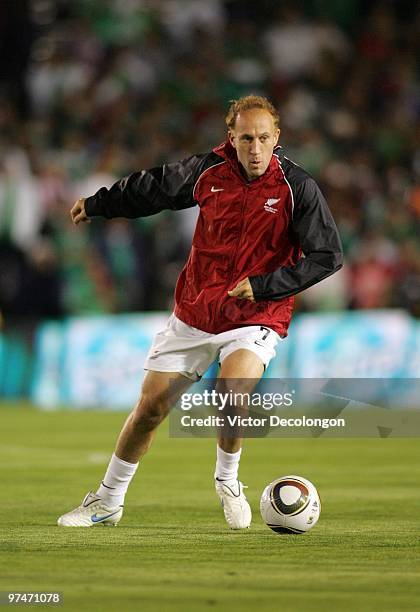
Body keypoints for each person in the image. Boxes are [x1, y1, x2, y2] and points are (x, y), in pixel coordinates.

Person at [57, 95, 343, 529]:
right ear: (232, 137)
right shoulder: (207, 170)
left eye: (263, 138)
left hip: (256, 314)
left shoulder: (296, 187)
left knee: (232, 390)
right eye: (246, 138)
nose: (254, 148)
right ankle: (107, 500)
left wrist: (265, 286)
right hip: (197, 309)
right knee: (151, 408)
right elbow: (153, 188)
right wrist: (100, 204)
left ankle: (228, 480)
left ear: (277, 138)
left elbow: (327, 255)